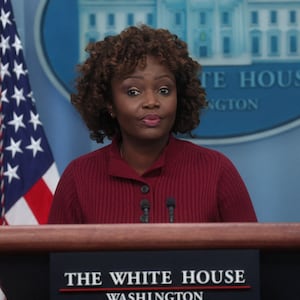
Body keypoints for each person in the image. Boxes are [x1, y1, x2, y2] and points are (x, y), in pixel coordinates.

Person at [48, 24, 257, 224]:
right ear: (109, 103)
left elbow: (250, 257)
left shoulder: (216, 171)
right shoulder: (78, 177)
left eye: (164, 90)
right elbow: (57, 259)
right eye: (133, 92)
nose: (151, 102)